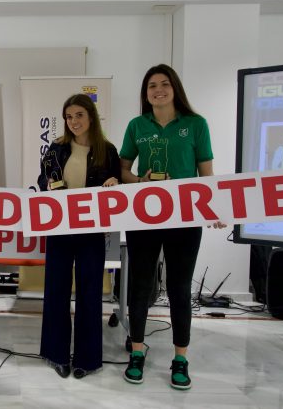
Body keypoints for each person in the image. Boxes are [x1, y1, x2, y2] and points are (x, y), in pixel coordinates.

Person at [119, 64, 225, 390]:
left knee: (179, 290)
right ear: (145, 92)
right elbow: (123, 170)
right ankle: (136, 352)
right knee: (140, 286)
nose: (158, 90)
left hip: (185, 219)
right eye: (152, 85)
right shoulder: (138, 125)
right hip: (144, 219)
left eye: (164, 84)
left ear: (175, 88)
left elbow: (206, 174)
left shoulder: (195, 125)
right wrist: (141, 181)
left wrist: (214, 208)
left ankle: (180, 358)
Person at [37, 94, 121, 379]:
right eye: (69, 116)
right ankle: (56, 354)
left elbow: (116, 184)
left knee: (89, 294)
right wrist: (47, 185)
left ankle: (87, 359)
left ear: (91, 117)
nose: (73, 121)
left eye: (79, 116)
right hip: (60, 230)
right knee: (56, 292)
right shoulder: (57, 148)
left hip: (91, 233)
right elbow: (41, 180)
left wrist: (114, 182)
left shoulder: (107, 150)